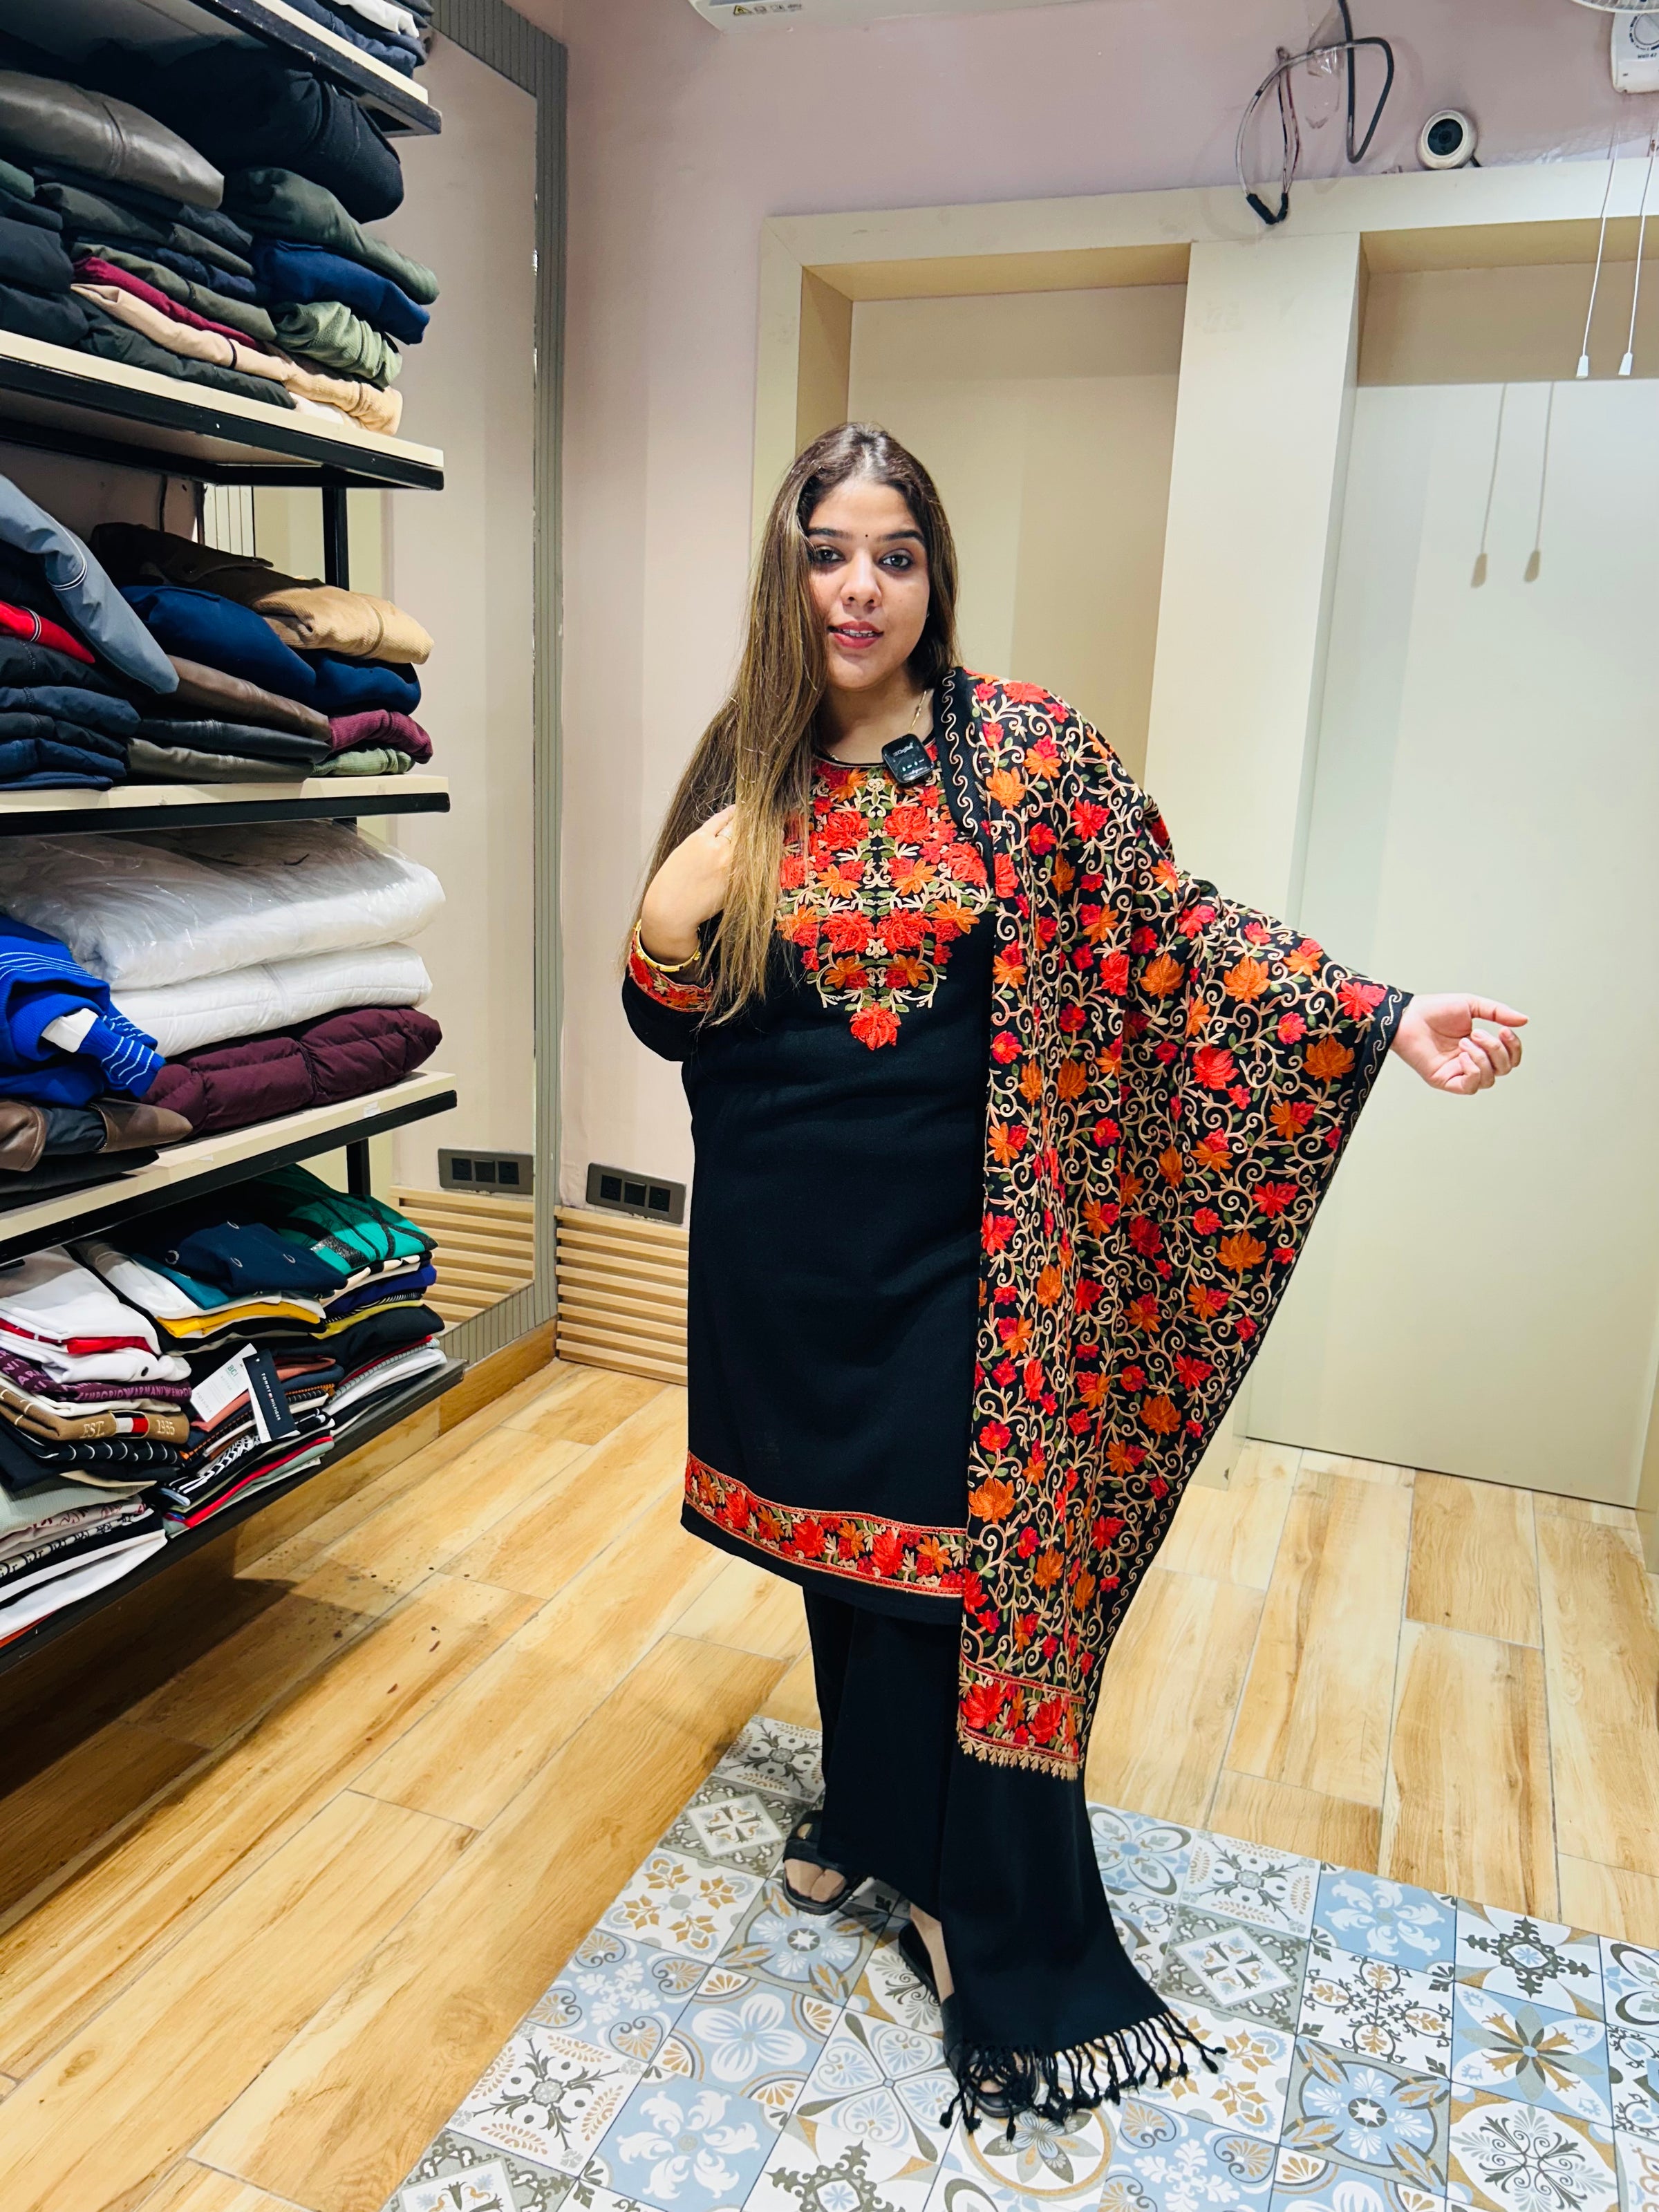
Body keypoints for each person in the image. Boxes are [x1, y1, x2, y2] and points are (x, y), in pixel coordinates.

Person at [622, 421, 1524, 2134]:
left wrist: (1385, 1015)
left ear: (935, 575)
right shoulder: (747, 765)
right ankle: (868, 1817)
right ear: (786, 575)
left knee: (950, 1565)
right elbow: (676, 1016)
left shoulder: (1027, 759)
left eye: (895, 555)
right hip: (784, 1253)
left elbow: (1174, 933)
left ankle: (952, 1874)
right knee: (844, 1557)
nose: (861, 588)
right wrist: (671, 916)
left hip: (974, 1255)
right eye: (829, 554)